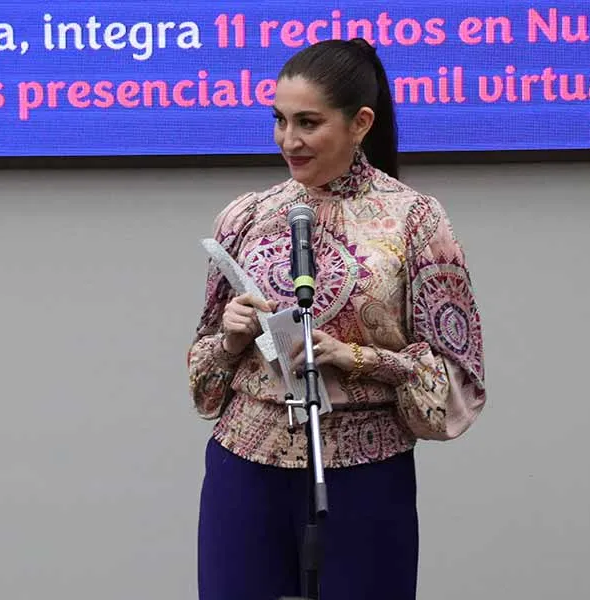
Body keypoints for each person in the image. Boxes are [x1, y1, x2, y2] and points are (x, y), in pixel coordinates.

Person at [187, 37, 486, 600]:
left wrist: (358, 358)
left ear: (360, 123)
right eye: (279, 120)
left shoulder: (415, 221)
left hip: (364, 475)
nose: (288, 140)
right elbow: (201, 383)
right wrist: (229, 339)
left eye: (308, 122)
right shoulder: (245, 215)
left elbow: (456, 379)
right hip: (244, 469)